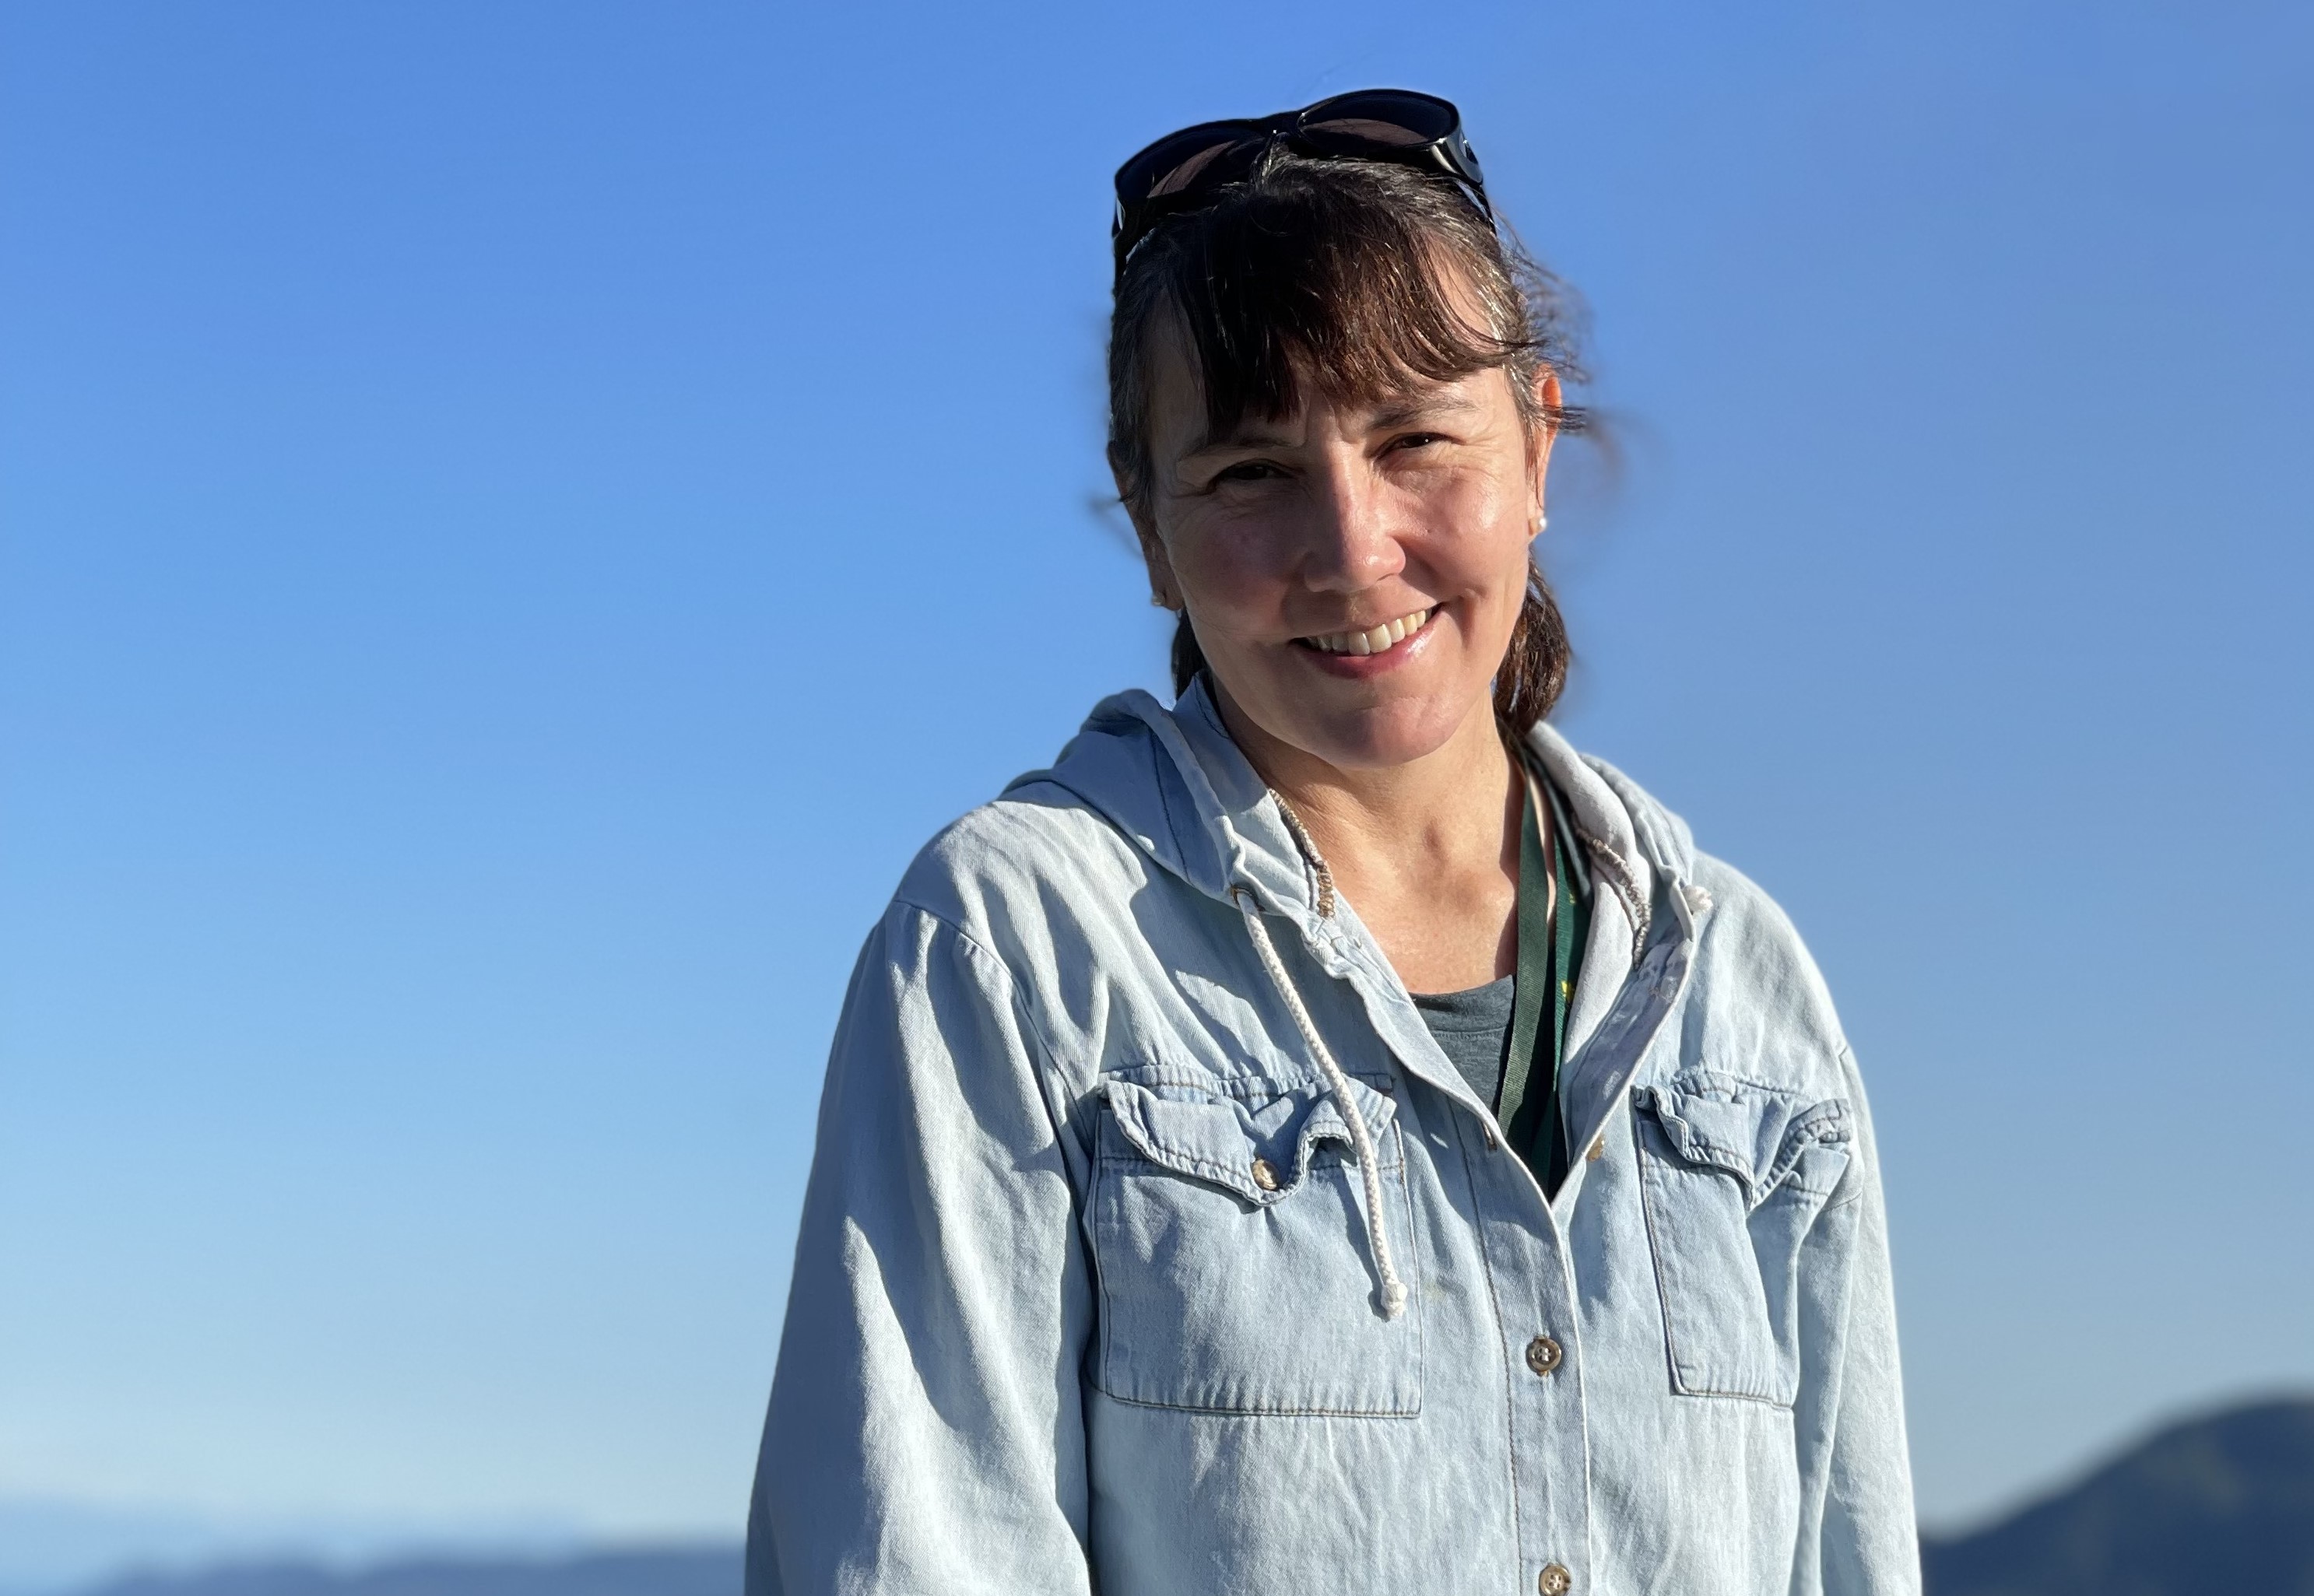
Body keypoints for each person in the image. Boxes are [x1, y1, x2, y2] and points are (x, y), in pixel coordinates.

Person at [746, 89, 1918, 1596]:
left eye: (1415, 439)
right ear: (1148, 526)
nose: (1351, 548)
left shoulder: (1743, 993)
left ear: (1535, 452)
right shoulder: (1015, 952)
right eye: (1249, 475)